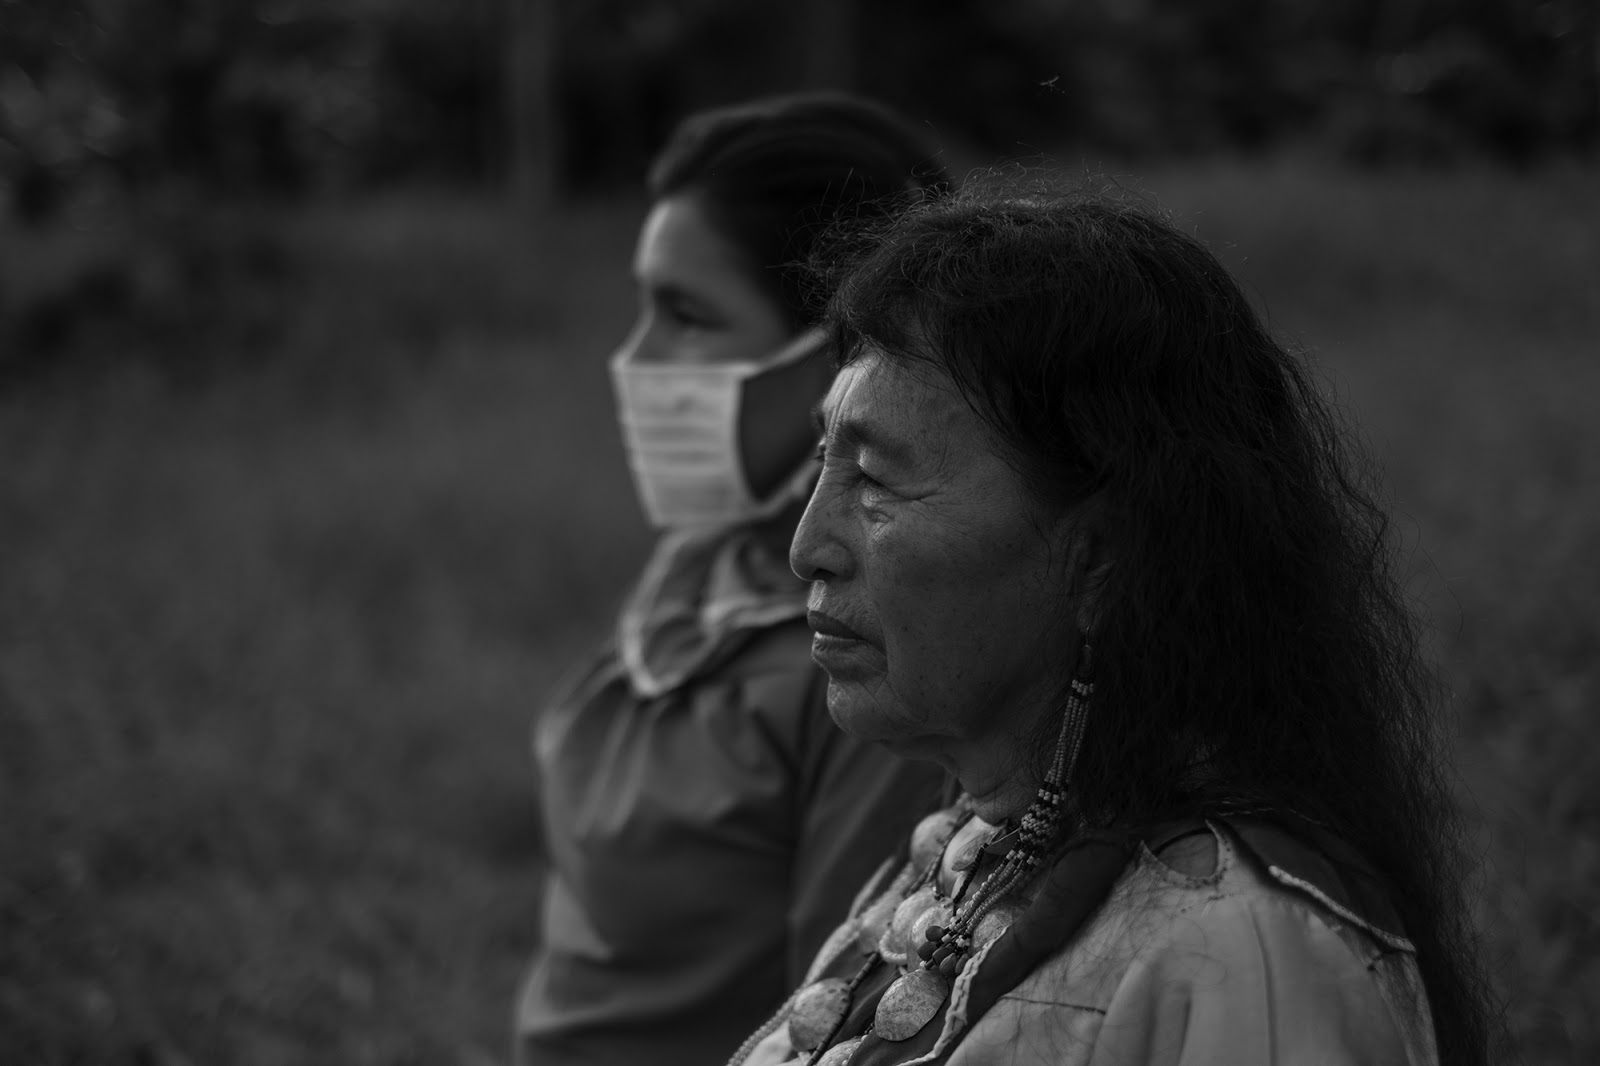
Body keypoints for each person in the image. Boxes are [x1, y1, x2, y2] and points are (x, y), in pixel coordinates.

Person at [733, 179, 1497, 1066]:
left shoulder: (1244, 952)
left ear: (1102, 557)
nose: (808, 546)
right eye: (826, 464)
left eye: (875, 481)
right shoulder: (966, 859)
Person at [514, 94, 950, 1066]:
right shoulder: (700, 570)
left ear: (841, 354)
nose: (635, 359)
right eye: (644, 307)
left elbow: (834, 1026)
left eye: (687, 315)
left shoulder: (868, 649)